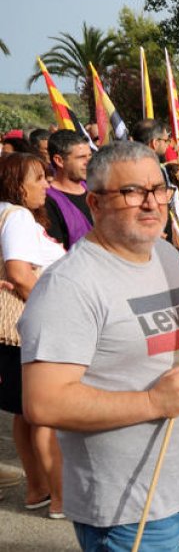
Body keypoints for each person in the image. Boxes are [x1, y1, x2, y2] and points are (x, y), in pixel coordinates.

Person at [21, 141, 179, 546]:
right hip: (131, 514)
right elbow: (43, 402)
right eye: (133, 192)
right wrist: (152, 404)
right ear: (96, 204)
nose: (152, 203)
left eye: (159, 189)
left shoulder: (166, 255)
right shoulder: (70, 285)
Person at [0, 152, 66, 518]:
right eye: (39, 178)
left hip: (13, 330)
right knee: (45, 413)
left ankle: (37, 488)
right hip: (31, 327)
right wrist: (53, 310)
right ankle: (59, 497)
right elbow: (20, 273)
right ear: (16, 184)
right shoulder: (19, 217)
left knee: (26, 413)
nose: (46, 184)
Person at [44, 130, 94, 250]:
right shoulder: (47, 200)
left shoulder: (94, 189)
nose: (88, 162)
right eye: (81, 157)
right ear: (59, 161)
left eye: (90, 156)